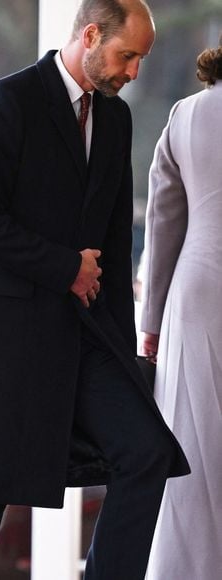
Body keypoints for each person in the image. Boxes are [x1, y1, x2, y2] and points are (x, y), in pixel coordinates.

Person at [0, 2, 190, 579]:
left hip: (87, 338)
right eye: (128, 56)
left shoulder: (116, 120)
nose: (134, 72)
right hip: (8, 340)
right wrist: (64, 266)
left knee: (146, 453)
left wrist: (127, 350)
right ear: (91, 36)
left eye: (142, 59)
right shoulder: (6, 101)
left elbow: (116, 243)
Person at [141, 39, 222, 580]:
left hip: (198, 289)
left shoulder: (186, 113)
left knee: (192, 445)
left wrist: (149, 320)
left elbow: (163, 219)